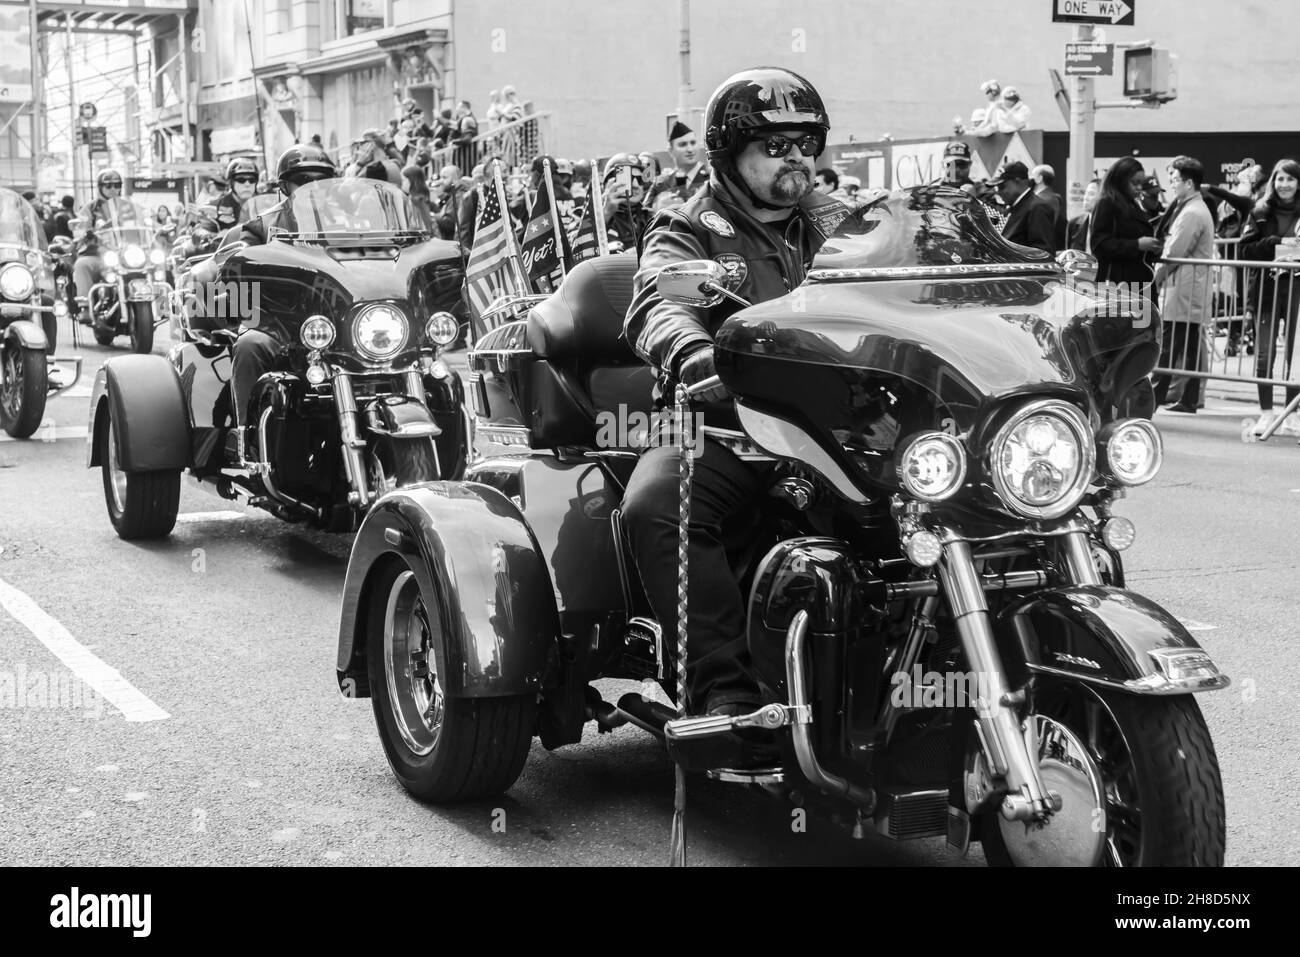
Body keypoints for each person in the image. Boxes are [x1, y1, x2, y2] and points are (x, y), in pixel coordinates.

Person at [622, 67, 850, 759]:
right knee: (659, 504)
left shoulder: (843, 225)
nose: (797, 157)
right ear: (729, 153)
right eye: (774, 143)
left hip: (836, 431)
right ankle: (726, 692)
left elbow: (914, 279)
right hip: (726, 426)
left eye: (806, 141)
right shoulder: (690, 226)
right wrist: (692, 350)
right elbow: (655, 299)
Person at [227, 144, 339, 458]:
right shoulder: (262, 226)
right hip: (280, 323)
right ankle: (248, 440)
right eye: (302, 179)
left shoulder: (350, 223)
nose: (311, 187)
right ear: (284, 186)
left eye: (320, 179)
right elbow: (240, 270)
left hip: (339, 323)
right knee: (250, 345)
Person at [1239, 158, 1300, 436]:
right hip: (1267, 290)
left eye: (1290, 179)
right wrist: (1274, 243)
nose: (1284, 184)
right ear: (1273, 182)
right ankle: (1266, 413)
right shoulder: (1260, 211)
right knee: (1264, 354)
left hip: (1297, 291)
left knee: (1296, 357)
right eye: (1280, 179)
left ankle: (1292, 413)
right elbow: (1245, 250)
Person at [1152, 157, 1215, 415]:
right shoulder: (1194, 208)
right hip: (1189, 288)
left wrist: (1155, 280)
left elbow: (1174, 251)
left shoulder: (1191, 213)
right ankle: (1188, 399)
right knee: (1186, 346)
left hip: (1184, 289)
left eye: (1175, 179)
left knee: (1170, 346)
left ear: (1189, 183)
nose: (1172, 184)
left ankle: (1154, 397)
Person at [71, 169, 139, 323]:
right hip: (98, 254)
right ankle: (85, 307)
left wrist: (157, 228)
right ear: (100, 188)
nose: (113, 189)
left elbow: (144, 220)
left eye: (117, 185)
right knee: (82, 265)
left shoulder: (129, 207)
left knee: (152, 264)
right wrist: (85, 231)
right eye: (108, 186)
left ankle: (155, 300)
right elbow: (80, 226)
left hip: (125, 254)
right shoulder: (90, 208)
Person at [1090, 157, 1162, 285]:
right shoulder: (1106, 202)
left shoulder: (1132, 204)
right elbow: (1098, 244)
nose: (1139, 187)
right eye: (1134, 182)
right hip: (1117, 281)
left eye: (1141, 182)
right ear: (1121, 180)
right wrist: (1137, 245)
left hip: (1137, 279)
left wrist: (1153, 248)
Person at [988, 161, 1057, 253]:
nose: (998, 192)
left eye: (1002, 186)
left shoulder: (1037, 208)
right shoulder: (1014, 207)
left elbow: (1042, 252)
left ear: (1018, 182)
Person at [646, 121, 709, 209]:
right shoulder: (661, 184)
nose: (690, 149)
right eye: (682, 145)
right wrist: (658, 206)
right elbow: (646, 215)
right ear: (670, 150)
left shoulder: (712, 177)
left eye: (693, 143)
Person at [599, 152, 650, 255]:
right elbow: (577, 248)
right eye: (629, 179)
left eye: (639, 180)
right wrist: (606, 214)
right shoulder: (587, 214)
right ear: (610, 182)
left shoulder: (652, 217)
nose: (636, 185)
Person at [213, 157, 259, 231]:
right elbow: (202, 228)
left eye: (252, 180)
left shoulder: (267, 206)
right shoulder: (215, 206)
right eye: (241, 179)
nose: (247, 184)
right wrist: (206, 235)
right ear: (231, 182)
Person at [1031, 163, 1067, 252]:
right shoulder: (1049, 198)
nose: (1030, 179)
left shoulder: (1047, 199)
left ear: (1039, 178)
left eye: (1033, 176)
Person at [1068, 178, 1101, 251]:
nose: (1086, 198)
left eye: (1091, 194)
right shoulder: (1073, 224)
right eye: (1086, 193)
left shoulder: (1111, 225)